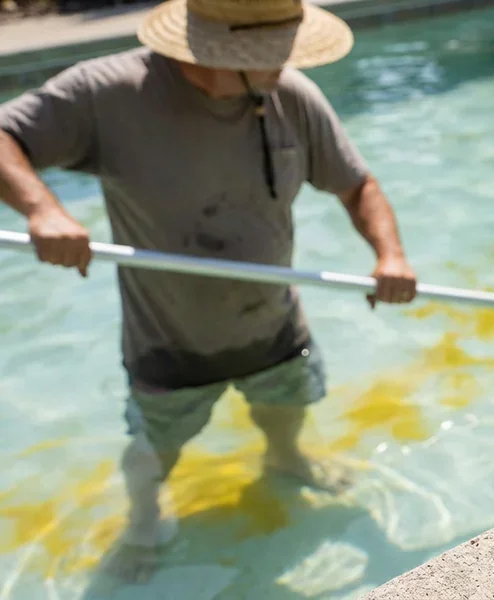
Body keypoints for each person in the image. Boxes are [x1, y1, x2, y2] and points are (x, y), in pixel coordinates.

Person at [0, 0, 417, 582]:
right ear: (213, 53)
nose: (285, 67)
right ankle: (143, 525)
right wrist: (43, 211)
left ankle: (286, 458)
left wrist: (389, 254)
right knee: (152, 455)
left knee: (286, 409)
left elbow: (356, 184)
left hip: (274, 322)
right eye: (269, 57)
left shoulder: (289, 94)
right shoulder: (108, 91)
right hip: (168, 339)